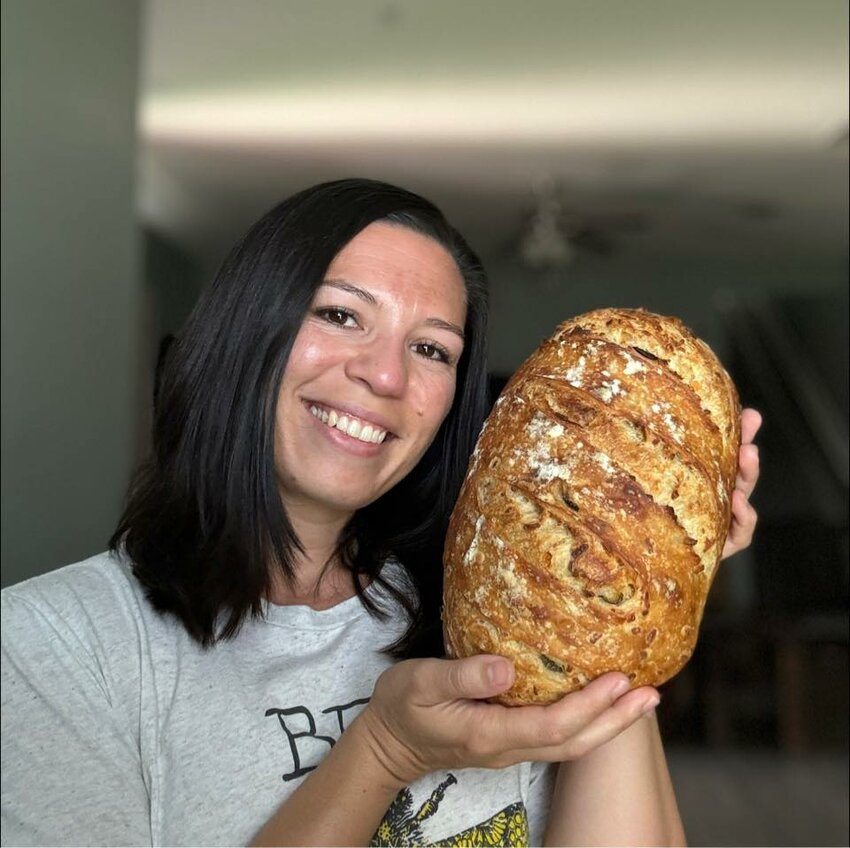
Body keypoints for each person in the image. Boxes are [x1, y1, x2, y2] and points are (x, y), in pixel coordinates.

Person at [1, 178, 761, 847]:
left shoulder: (491, 620)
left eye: (432, 350)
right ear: (244, 330)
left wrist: (636, 596)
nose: (386, 374)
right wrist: (386, 748)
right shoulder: (55, 648)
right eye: (339, 315)